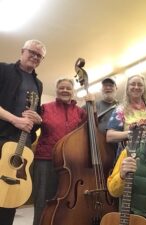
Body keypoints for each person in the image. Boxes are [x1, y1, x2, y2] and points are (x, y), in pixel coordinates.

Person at [0, 39, 46, 225]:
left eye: (39, 56)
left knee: (11, 195)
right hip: (1, 138)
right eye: (32, 52)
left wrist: (37, 119)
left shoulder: (39, 84)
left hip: (22, 144)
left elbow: (35, 116)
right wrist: (14, 119)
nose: (35, 57)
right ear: (22, 51)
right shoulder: (3, 69)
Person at [32, 78, 87, 225]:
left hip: (69, 163)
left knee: (65, 202)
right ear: (57, 90)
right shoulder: (45, 108)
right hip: (45, 160)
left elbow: (88, 132)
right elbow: (32, 129)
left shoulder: (80, 112)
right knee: (42, 201)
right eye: (61, 87)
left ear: (73, 91)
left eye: (68, 88)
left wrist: (92, 105)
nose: (65, 90)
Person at [106, 74, 146, 156]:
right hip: (128, 155)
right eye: (132, 84)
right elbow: (110, 136)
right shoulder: (120, 109)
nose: (136, 87)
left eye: (140, 85)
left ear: (144, 89)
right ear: (127, 88)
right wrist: (134, 134)